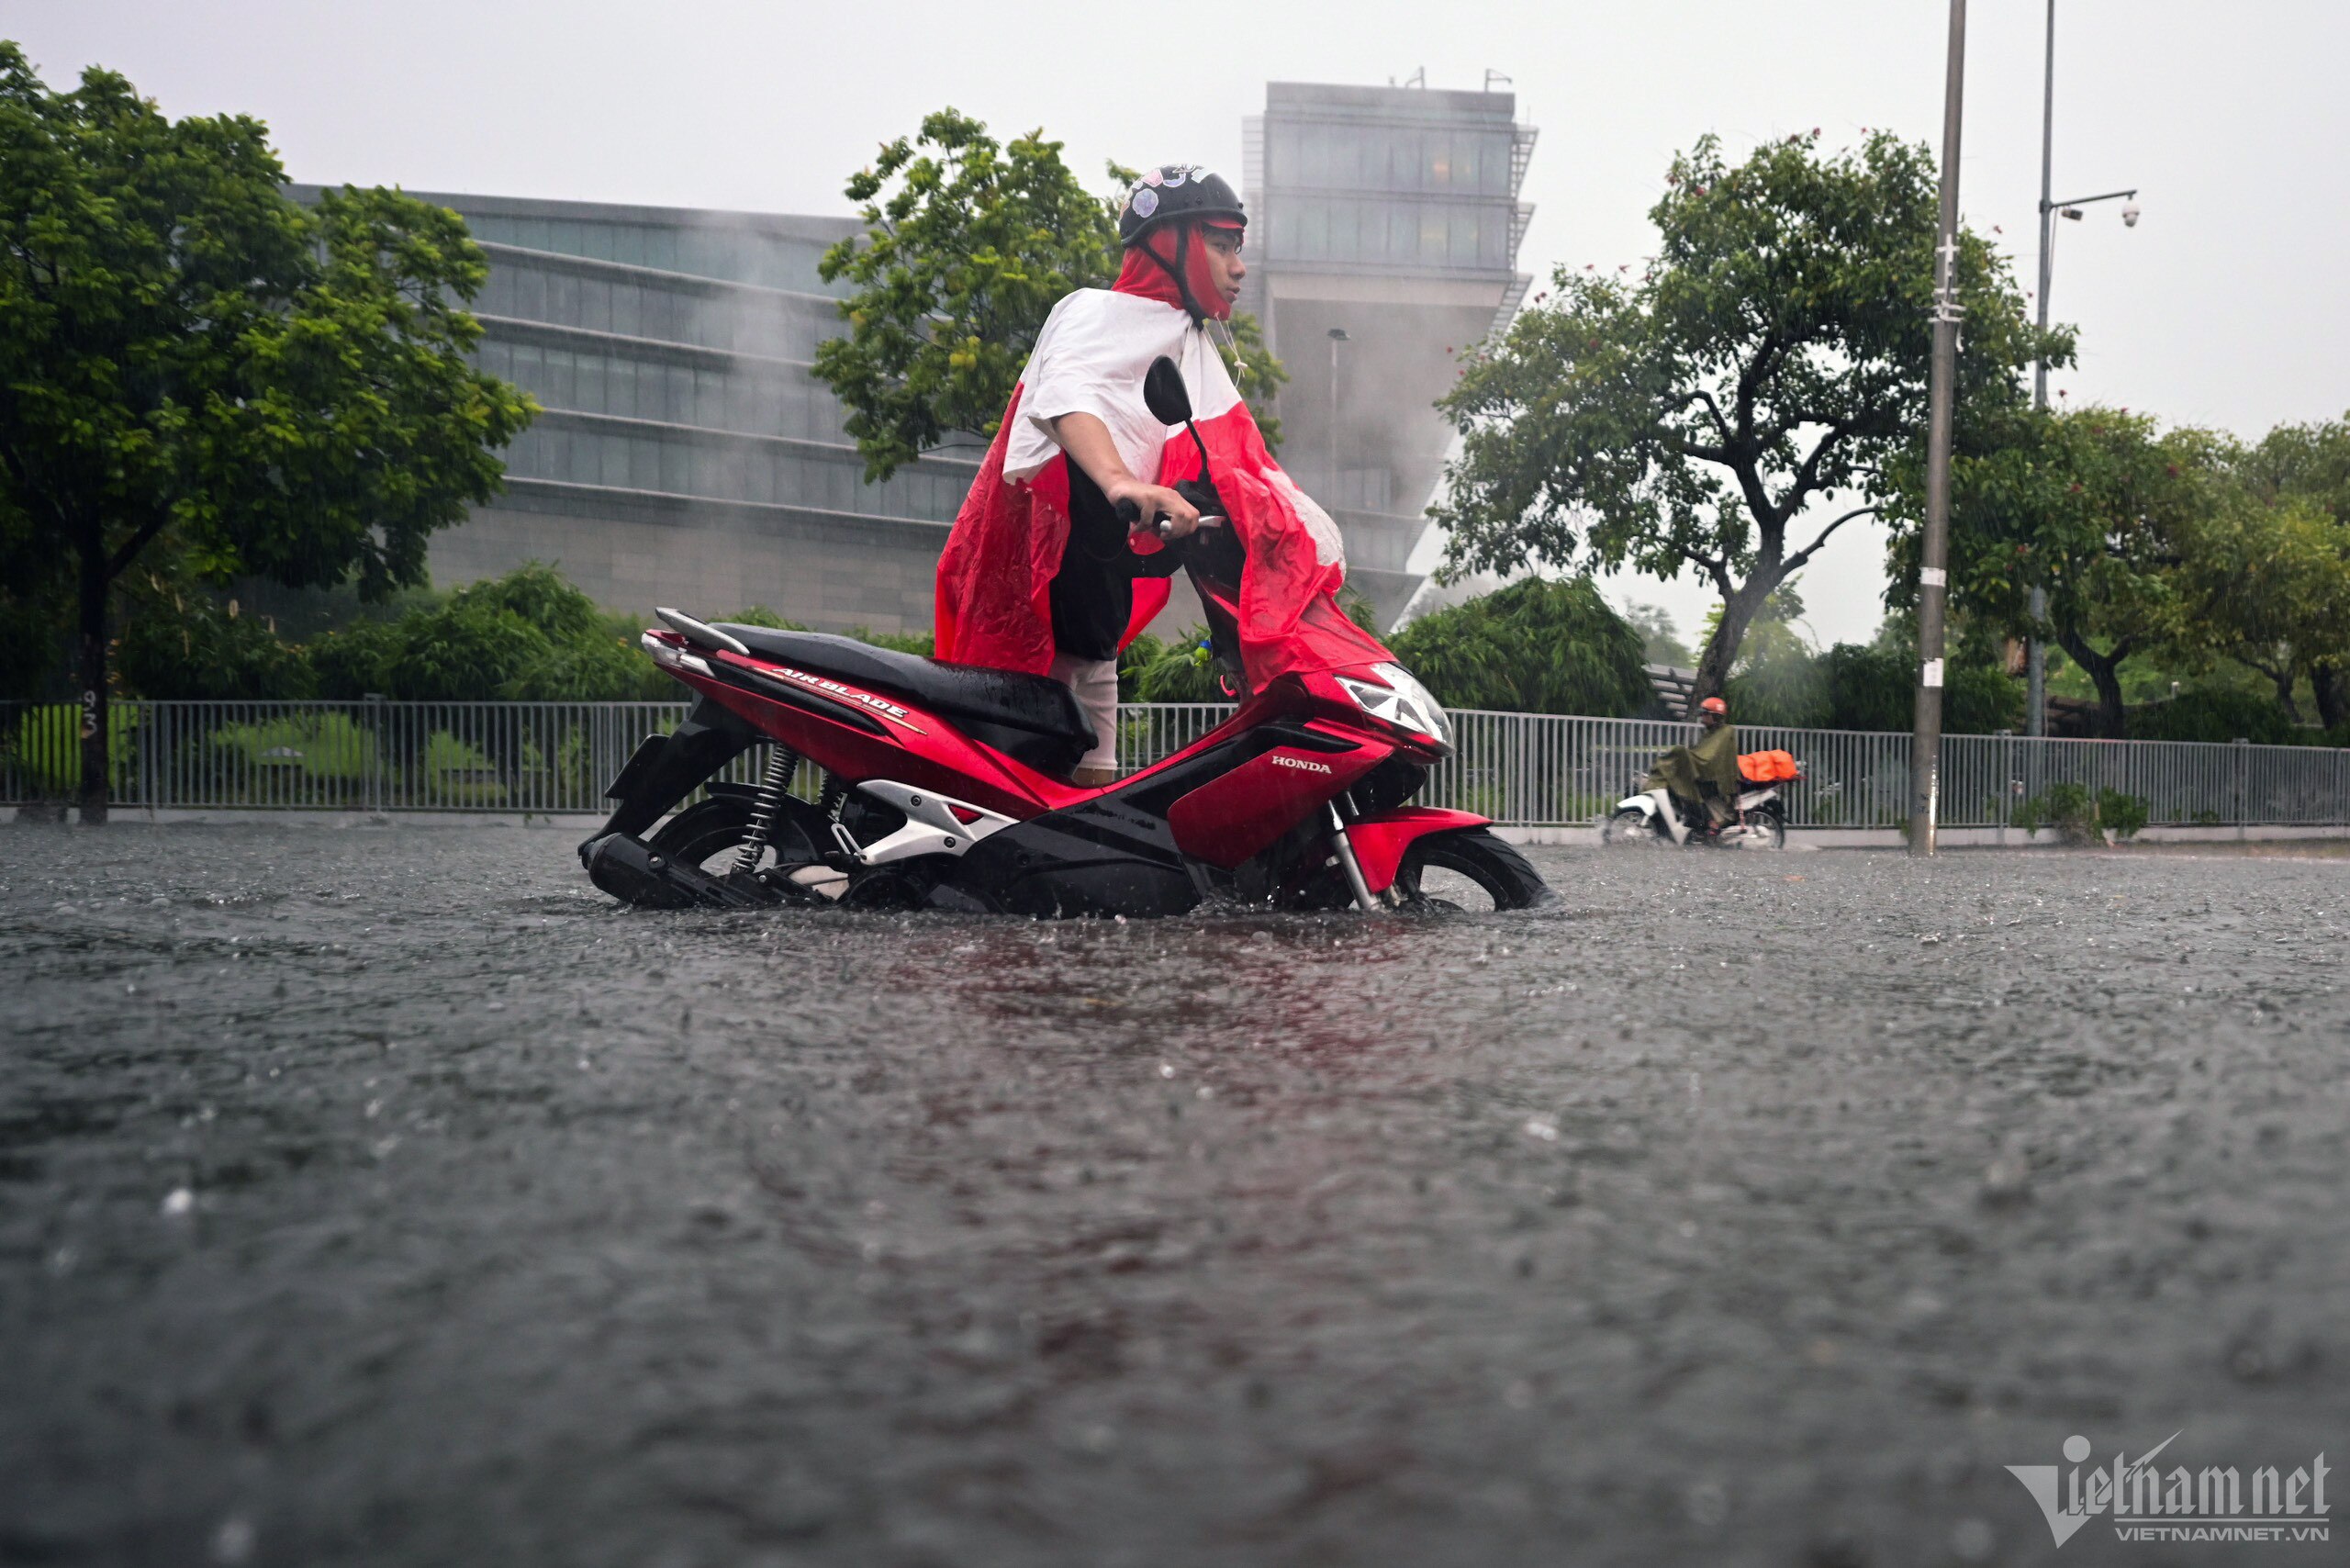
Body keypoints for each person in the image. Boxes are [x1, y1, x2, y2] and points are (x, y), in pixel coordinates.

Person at [934, 163, 1384, 787]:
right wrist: (1121, 481)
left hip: (1096, 616)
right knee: (1012, 794)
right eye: (1221, 245)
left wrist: (1298, 529)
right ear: (1170, 243)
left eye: (1238, 248)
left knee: (1091, 803)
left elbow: (1232, 463)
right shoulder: (1093, 312)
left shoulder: (1188, 342)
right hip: (1041, 605)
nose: (1238, 266)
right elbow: (1067, 399)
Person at [1646, 696, 1742, 834]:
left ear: (1714, 715)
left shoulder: (1726, 732)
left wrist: (1688, 758)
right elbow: (1700, 753)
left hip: (1714, 780)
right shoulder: (1709, 733)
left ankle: (1711, 822)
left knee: (1682, 759)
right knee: (1676, 783)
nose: (1701, 716)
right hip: (1704, 773)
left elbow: (1710, 758)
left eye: (1705, 713)